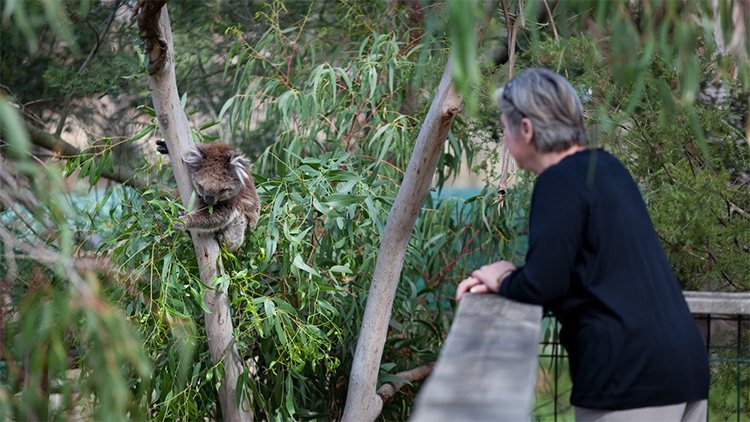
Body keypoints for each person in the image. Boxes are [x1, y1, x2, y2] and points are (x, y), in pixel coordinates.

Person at [456, 68, 710, 421]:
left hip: (628, 380)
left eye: (504, 126)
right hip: (686, 369)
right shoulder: (606, 167)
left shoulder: (558, 182)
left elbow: (543, 285)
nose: (503, 135)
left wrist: (501, 278)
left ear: (526, 129)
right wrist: (517, 275)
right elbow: (575, 271)